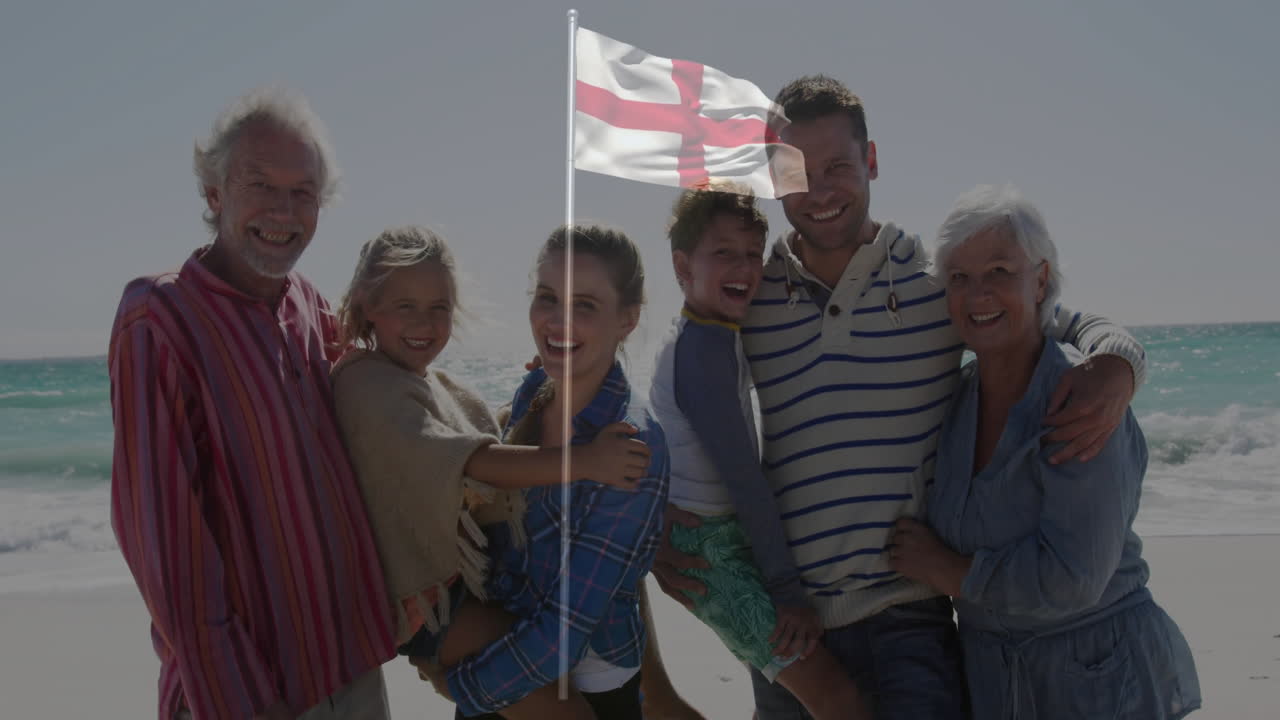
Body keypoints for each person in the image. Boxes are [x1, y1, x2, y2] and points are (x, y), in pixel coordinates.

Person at [650, 75, 1150, 719]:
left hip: (908, 619)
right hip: (789, 624)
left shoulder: (935, 284)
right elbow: (680, 404)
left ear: (872, 161)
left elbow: (1055, 320)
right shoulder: (751, 291)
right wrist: (659, 525)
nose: (820, 191)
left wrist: (1118, 364)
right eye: (797, 172)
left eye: (838, 166)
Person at [108, 88, 396, 720]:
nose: (282, 211)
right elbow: (165, 543)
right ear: (215, 193)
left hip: (350, 671)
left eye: (303, 192)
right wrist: (239, 700)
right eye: (260, 184)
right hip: (249, 690)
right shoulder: (159, 317)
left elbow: (380, 421)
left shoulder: (311, 305)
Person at [887, 184, 1201, 719]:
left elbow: (1073, 578)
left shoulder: (1082, 397)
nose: (978, 294)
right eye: (959, 278)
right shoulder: (957, 399)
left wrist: (948, 571)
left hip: (1098, 678)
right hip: (996, 681)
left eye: (999, 271)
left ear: (1040, 280)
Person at [330, 225, 652, 719]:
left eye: (439, 307)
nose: (424, 322)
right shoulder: (368, 385)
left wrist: (545, 386)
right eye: (405, 305)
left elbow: (488, 440)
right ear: (367, 305)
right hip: (432, 601)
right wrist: (586, 461)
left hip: (464, 587)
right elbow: (474, 461)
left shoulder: (423, 380)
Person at [648, 182, 870, 720]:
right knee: (837, 699)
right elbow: (744, 479)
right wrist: (787, 590)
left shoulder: (714, 332)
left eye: (753, 254)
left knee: (795, 695)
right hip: (708, 555)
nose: (744, 267)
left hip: (721, 538)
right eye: (724, 252)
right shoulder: (701, 353)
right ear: (682, 266)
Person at [439, 224, 670, 719]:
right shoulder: (533, 391)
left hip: (585, 686)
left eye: (584, 305)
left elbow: (563, 635)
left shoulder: (633, 444)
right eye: (547, 297)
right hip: (504, 645)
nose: (558, 320)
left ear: (627, 320)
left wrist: (457, 685)